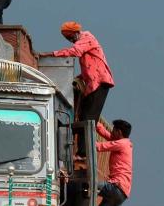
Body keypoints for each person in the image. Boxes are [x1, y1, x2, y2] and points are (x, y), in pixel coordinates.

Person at [38, 22, 114, 154]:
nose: (71, 41)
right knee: (84, 117)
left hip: (100, 82)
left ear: (76, 33)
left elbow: (75, 51)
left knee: (89, 119)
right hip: (92, 84)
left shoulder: (86, 38)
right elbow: (88, 68)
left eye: (71, 37)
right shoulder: (82, 41)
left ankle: (84, 153)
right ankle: (80, 150)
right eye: (68, 39)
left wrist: (51, 54)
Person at [93, 119, 132, 206]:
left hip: (116, 188)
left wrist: (86, 135)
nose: (112, 132)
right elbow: (106, 134)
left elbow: (99, 147)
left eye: (114, 130)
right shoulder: (124, 143)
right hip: (122, 196)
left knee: (89, 187)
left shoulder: (122, 144)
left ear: (119, 132)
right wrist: (95, 122)